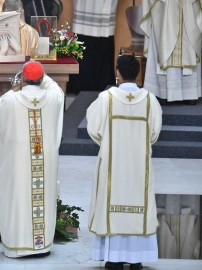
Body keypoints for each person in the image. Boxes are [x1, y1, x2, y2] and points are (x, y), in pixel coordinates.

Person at [86, 55, 162, 270]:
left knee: (111, 204)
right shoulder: (149, 100)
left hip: (112, 161)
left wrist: (108, 143)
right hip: (139, 165)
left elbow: (93, 128)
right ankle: (136, 259)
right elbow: (154, 134)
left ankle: (114, 259)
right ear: (138, 73)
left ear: (117, 73)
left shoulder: (106, 98)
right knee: (139, 202)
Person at [0, 61, 64, 258]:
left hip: (18, 162)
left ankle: (18, 246)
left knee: (18, 198)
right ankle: (41, 245)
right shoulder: (54, 98)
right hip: (44, 159)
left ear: (22, 79)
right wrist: (41, 74)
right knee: (42, 196)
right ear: (41, 79)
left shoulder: (10, 100)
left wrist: (14, 88)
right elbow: (55, 87)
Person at [140, 0, 201, 104]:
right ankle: (163, 92)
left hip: (188, 8)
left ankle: (189, 93)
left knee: (188, 44)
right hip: (164, 11)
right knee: (164, 42)